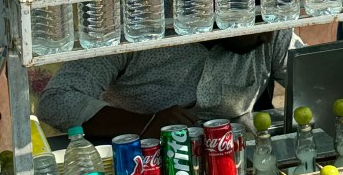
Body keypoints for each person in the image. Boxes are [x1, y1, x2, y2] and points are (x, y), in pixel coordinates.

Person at [35, 30, 300, 138]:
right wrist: (147, 125)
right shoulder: (136, 29)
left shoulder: (272, 31)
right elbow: (56, 101)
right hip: (141, 172)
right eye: (257, 21)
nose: (267, 36)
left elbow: (318, 82)